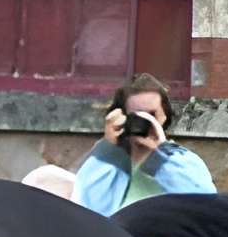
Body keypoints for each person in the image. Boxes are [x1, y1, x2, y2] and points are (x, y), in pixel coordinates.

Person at [74, 74, 215, 216]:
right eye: (136, 115)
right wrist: (109, 147)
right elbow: (86, 208)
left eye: (151, 115)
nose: (144, 121)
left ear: (164, 116)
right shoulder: (106, 164)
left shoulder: (183, 161)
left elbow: (204, 204)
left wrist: (160, 156)